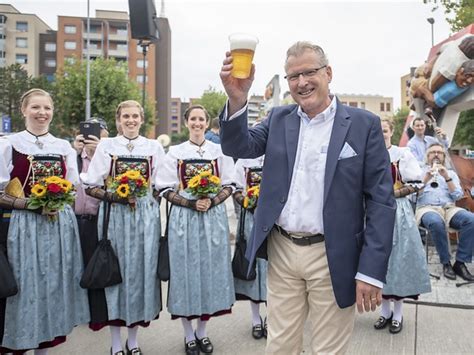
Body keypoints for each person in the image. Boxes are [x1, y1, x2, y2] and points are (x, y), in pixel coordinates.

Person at [219, 41, 396, 354]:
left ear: (328, 73)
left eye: (309, 72)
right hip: (283, 250)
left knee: (328, 350)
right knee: (279, 347)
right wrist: (237, 99)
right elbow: (238, 148)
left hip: (333, 254)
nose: (301, 82)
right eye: (293, 76)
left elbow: (381, 201)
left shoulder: (363, 125)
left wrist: (370, 271)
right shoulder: (278, 119)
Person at [0, 88, 89, 354]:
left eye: (47, 108)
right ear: (23, 110)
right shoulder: (8, 143)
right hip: (22, 226)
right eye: (36, 107)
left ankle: (44, 348)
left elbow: (73, 186)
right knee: (25, 286)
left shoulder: (62, 146)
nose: (42, 113)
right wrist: (30, 204)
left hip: (59, 226)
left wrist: (58, 201)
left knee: (53, 284)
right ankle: (17, 343)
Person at [81, 100, 165, 355]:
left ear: (142, 119)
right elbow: (90, 185)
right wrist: (116, 197)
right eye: (125, 116)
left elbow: (161, 185)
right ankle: (116, 342)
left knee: (140, 274)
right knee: (114, 275)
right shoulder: (107, 146)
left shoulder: (153, 147)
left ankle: (133, 339)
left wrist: (150, 202)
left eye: (135, 116)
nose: (130, 120)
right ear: (118, 119)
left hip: (144, 219)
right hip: (115, 217)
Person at [156, 105, 235, 355]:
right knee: (185, 274)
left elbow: (230, 185)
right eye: (193, 119)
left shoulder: (219, 151)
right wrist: (191, 202)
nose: (197, 123)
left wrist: (211, 200)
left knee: (208, 274)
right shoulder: (176, 152)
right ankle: (188, 334)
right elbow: (165, 189)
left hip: (212, 217)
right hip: (185, 219)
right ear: (187, 122)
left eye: (201, 119)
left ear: (206, 122)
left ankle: (202, 331)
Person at [373, 118, 431, 335]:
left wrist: (393, 194)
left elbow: (416, 184)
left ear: (391, 131)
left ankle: (398, 313)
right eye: (378, 131)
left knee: (398, 259)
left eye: (385, 130)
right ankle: (384, 310)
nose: (382, 134)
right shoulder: (369, 154)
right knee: (379, 260)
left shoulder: (402, 154)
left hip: (398, 212)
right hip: (374, 212)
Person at [416, 143, 474, 281]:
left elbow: (458, 196)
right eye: (432, 152)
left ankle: (460, 262)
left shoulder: (451, 173)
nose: (436, 155)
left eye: (439, 152)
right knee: (436, 222)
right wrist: (425, 180)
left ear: (443, 156)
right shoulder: (419, 171)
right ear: (427, 156)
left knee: (471, 219)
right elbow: (413, 196)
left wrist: (447, 177)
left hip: (449, 208)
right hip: (426, 208)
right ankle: (446, 262)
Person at [73, 117, 110, 327]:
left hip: (98, 220)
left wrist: (99, 153)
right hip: (75, 219)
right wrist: (75, 151)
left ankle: (98, 315)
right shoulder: (73, 157)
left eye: (101, 138)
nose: (94, 141)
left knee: (97, 267)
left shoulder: (107, 159)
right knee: (75, 266)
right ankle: (78, 312)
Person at [233, 156, 267, 340]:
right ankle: (255, 319)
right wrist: (247, 201)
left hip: (274, 220)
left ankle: (271, 318)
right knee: (253, 268)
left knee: (274, 271)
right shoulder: (244, 161)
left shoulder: (280, 152)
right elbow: (236, 190)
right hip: (251, 220)